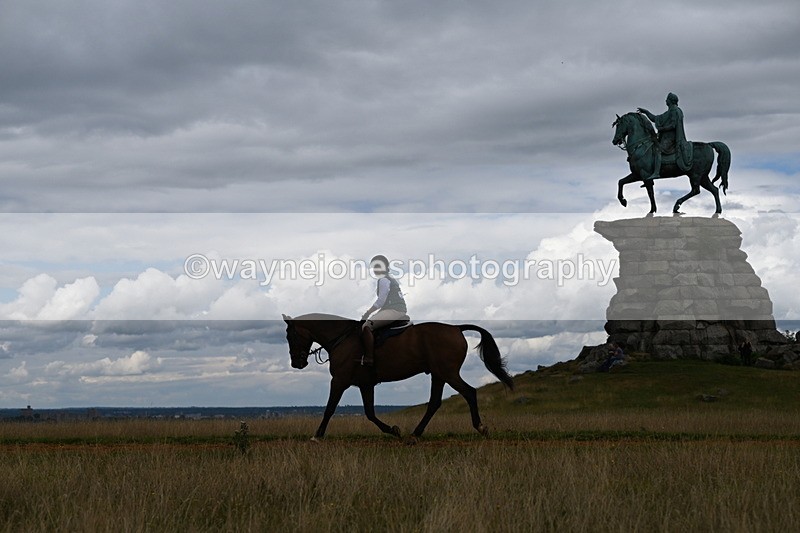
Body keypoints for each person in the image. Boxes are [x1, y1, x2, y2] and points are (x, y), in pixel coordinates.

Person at [359, 255, 409, 366]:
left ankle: (369, 357)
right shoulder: (390, 279)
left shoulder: (383, 280)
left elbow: (380, 302)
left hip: (394, 310)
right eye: (374, 267)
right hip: (396, 309)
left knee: (366, 326)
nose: (375, 269)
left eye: (377, 266)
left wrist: (367, 313)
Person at [637, 92, 693, 187]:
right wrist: (646, 112)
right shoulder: (669, 112)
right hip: (666, 137)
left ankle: (656, 172)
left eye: (667, 99)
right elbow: (655, 118)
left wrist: (662, 129)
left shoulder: (675, 111)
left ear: (670, 101)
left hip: (671, 139)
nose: (665, 101)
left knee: (657, 149)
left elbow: (673, 125)